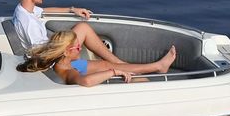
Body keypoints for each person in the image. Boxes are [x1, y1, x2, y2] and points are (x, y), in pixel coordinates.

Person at [12, 0, 122, 68]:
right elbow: (41, 54)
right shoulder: (29, 23)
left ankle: (116, 63)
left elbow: (43, 10)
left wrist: (72, 9)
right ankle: (118, 64)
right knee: (84, 30)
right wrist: (63, 48)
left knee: (82, 28)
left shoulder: (22, 9)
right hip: (55, 63)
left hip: (53, 52)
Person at [19, 29, 176, 86]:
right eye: (78, 47)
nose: (81, 48)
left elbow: (105, 66)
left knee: (104, 64)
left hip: (76, 66)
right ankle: (155, 68)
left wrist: (111, 68)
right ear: (66, 51)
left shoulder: (62, 61)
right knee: (143, 82)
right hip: (82, 79)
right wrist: (114, 73)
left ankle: (157, 66)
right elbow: (85, 81)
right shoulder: (68, 72)